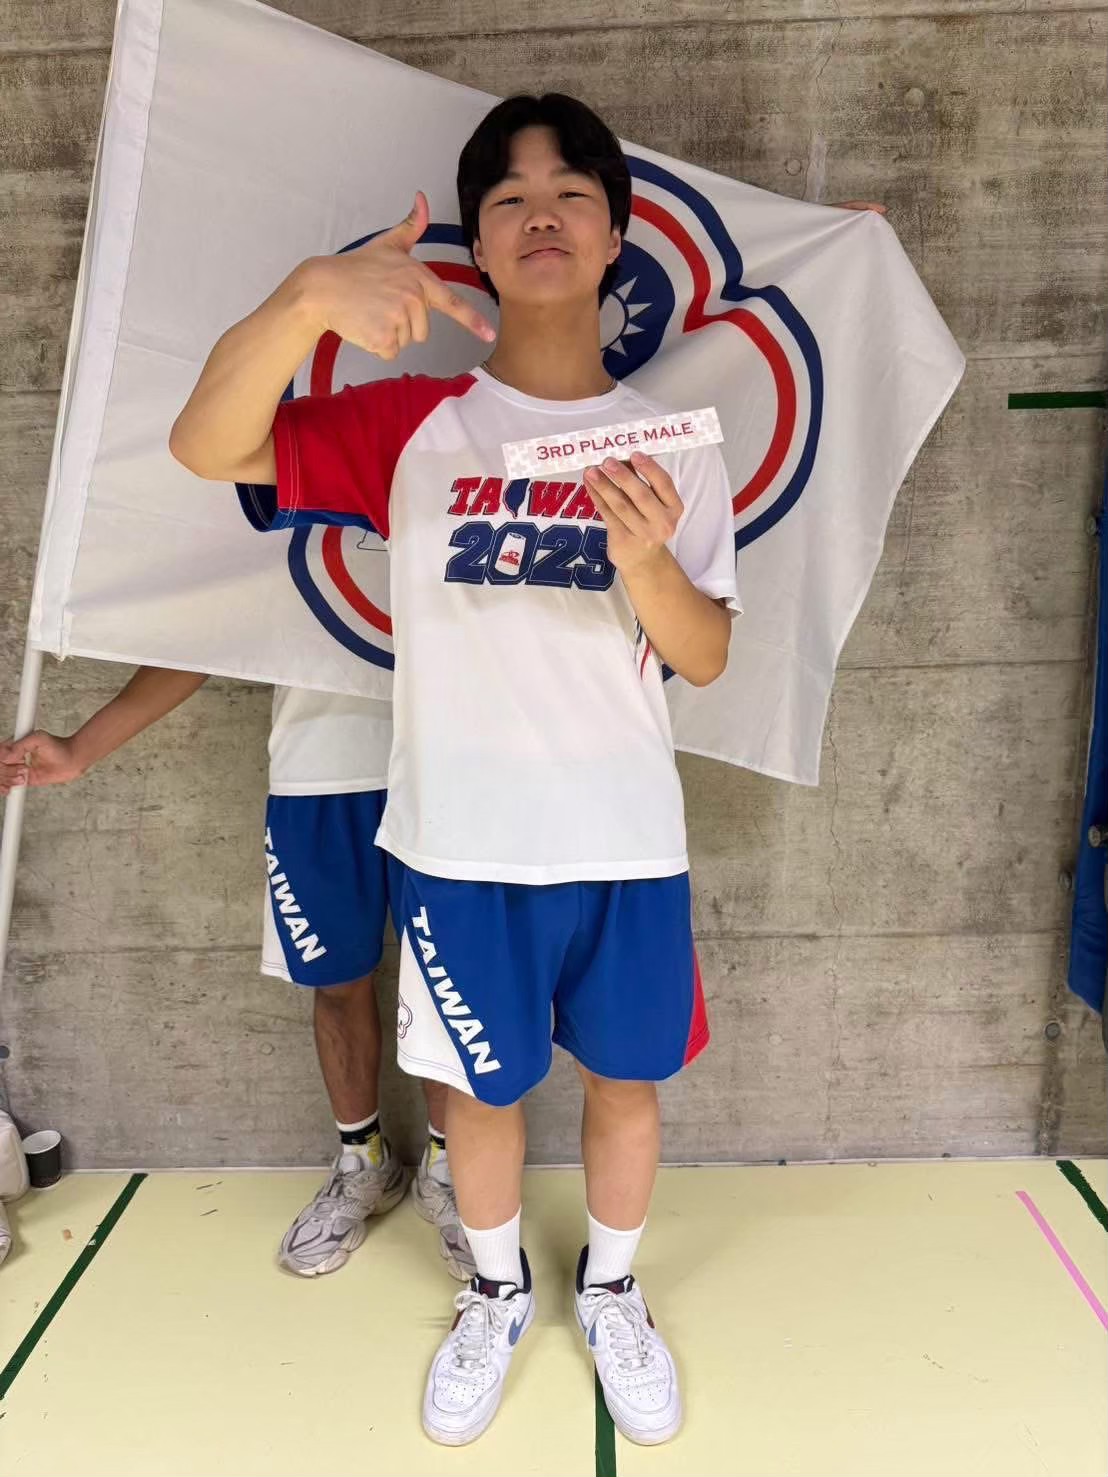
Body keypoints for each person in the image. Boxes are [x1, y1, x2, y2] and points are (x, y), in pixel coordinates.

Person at [0, 670, 474, 1282]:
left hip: (453, 765)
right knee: (336, 983)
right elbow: (203, 637)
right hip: (318, 765)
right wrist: (81, 747)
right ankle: (364, 1162)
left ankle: (451, 1169)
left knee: (448, 989)